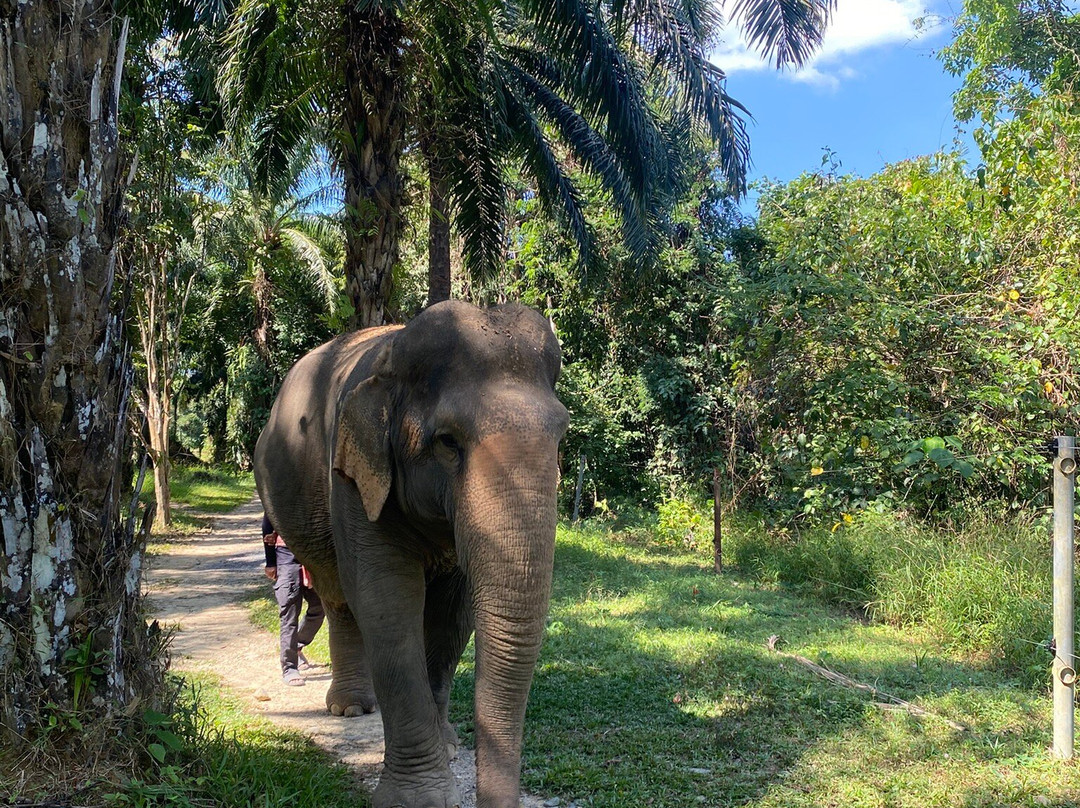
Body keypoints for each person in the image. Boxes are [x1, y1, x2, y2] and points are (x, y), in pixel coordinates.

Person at [262, 515, 324, 686]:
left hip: (314, 553)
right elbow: (267, 521)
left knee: (321, 606)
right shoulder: (281, 489)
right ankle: (289, 667)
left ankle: (297, 645)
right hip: (286, 554)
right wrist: (270, 562)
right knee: (289, 612)